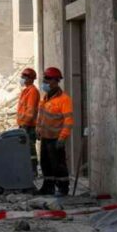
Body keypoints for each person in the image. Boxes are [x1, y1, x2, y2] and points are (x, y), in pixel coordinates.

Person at [36, 67, 74, 196]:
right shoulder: (45, 98)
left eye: (47, 79)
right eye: (44, 78)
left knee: (58, 165)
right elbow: (41, 117)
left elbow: (68, 121)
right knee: (45, 163)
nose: (45, 81)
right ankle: (48, 187)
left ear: (56, 81)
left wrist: (62, 138)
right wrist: (38, 129)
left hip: (56, 138)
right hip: (46, 137)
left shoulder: (64, 99)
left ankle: (63, 188)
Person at [16, 67, 40, 176]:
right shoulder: (26, 91)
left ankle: (33, 170)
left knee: (30, 148)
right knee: (24, 148)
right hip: (23, 125)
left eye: (23, 77)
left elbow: (30, 111)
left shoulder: (33, 92)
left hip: (28, 126)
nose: (21, 79)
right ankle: (27, 169)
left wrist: (25, 124)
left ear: (30, 79)